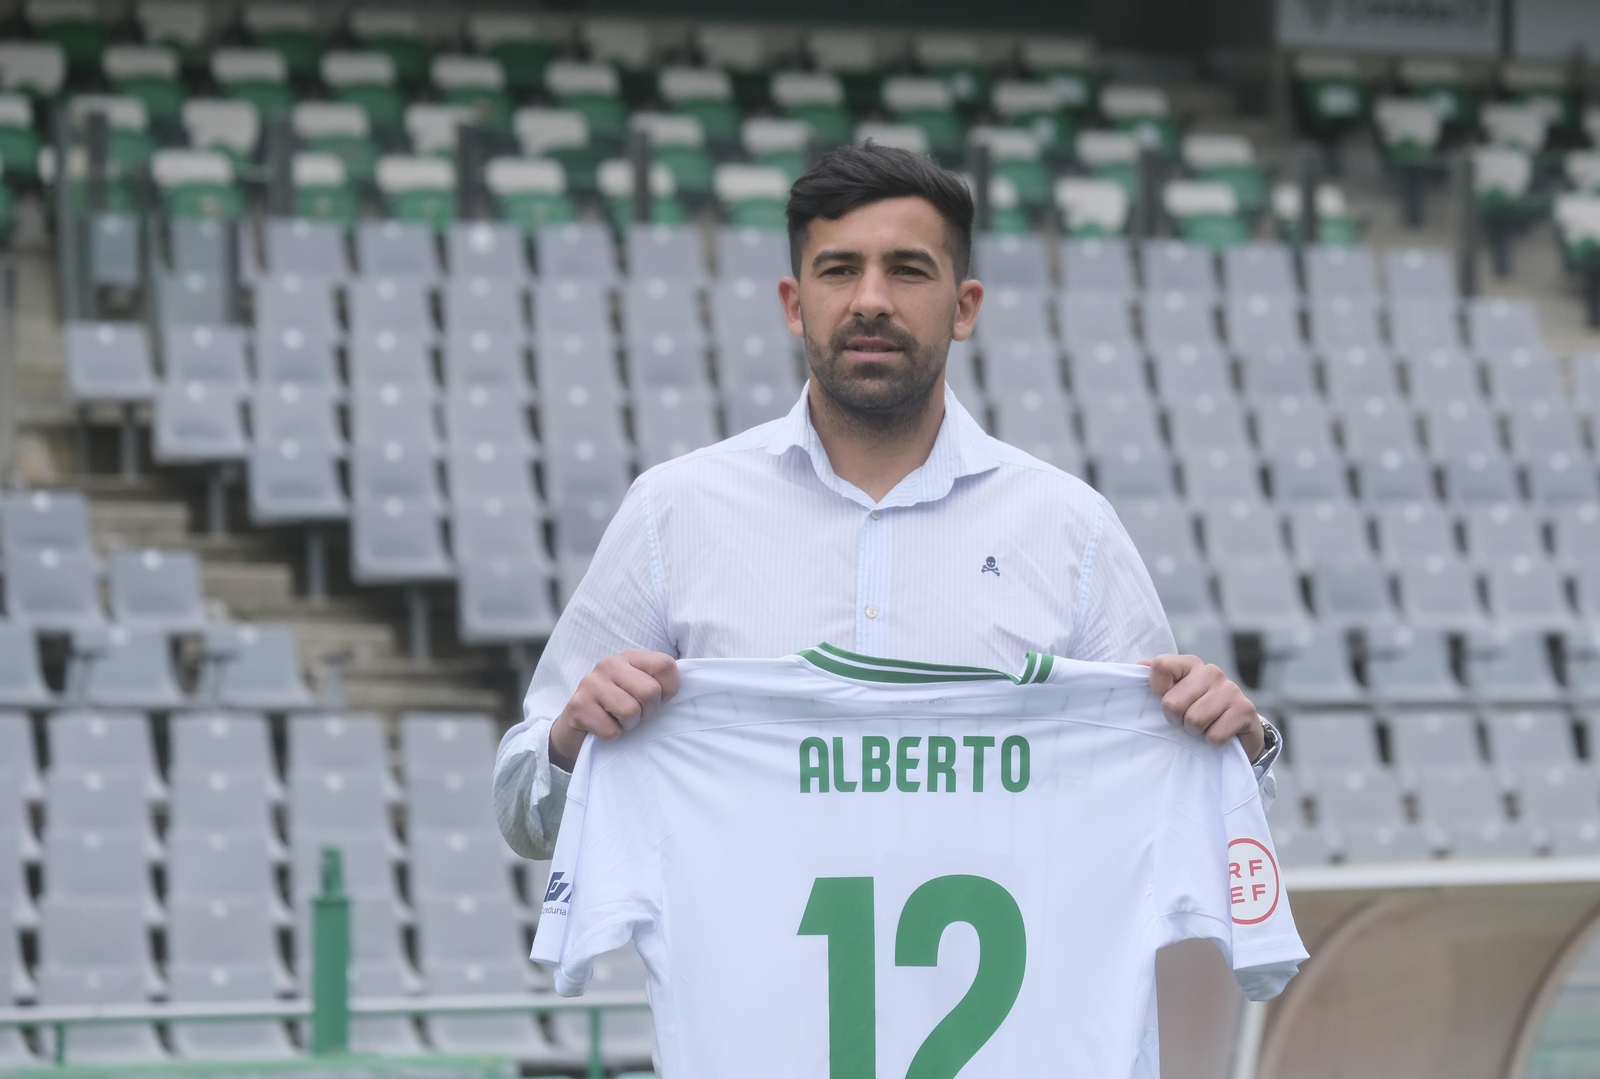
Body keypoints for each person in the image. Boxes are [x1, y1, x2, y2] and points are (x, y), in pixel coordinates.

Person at [494, 142, 1279, 859]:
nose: (871, 300)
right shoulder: (675, 513)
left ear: (964, 305)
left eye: (907, 270)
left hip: (1016, 1014)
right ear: (794, 303)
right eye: (838, 270)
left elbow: (1179, 815)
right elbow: (528, 822)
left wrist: (1232, 747)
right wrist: (567, 746)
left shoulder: (1069, 529)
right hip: (750, 1016)